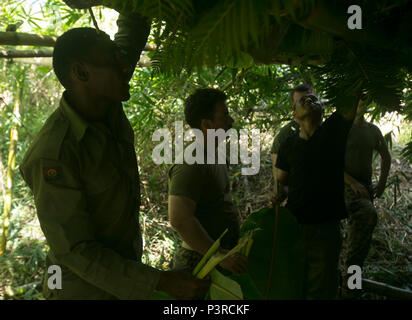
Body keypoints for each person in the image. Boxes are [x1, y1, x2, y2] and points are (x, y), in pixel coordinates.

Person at [19, 17, 209, 299]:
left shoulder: (105, 94)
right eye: (114, 61)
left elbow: (131, 33)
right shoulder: (55, 154)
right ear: (81, 73)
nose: (125, 66)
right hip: (79, 291)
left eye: (121, 59)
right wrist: (163, 282)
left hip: (121, 281)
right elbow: (76, 251)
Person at [272, 93, 358, 299]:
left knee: (321, 288)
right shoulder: (289, 145)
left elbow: (351, 94)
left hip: (325, 227)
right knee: (293, 283)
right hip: (294, 226)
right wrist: (278, 195)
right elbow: (282, 180)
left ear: (322, 112)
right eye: (303, 100)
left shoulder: (334, 131)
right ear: (294, 115)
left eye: (314, 99)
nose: (310, 100)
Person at [168, 88, 248, 275]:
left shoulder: (215, 155)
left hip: (215, 259)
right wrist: (220, 256)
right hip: (198, 263)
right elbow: (180, 219)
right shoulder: (191, 162)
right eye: (224, 116)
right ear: (206, 124)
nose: (231, 121)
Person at [342, 100, 391, 297]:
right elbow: (328, 160)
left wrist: (381, 184)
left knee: (364, 223)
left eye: (365, 99)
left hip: (363, 191)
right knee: (366, 214)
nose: (361, 103)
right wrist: (351, 182)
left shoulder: (372, 130)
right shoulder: (340, 128)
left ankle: (352, 282)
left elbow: (385, 156)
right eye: (357, 99)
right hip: (340, 187)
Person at [271, 84, 315, 193]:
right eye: (302, 101)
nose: (308, 104)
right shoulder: (285, 135)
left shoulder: (326, 131)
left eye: (312, 99)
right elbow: (278, 177)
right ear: (294, 106)